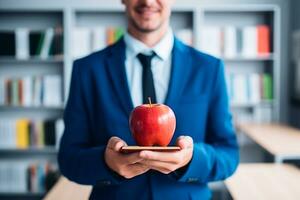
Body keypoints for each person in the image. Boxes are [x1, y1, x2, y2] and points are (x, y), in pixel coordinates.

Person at [58, 0, 239, 199]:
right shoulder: (87, 70)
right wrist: (107, 163)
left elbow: (228, 155)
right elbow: (69, 159)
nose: (148, 1)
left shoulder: (208, 68)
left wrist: (192, 159)